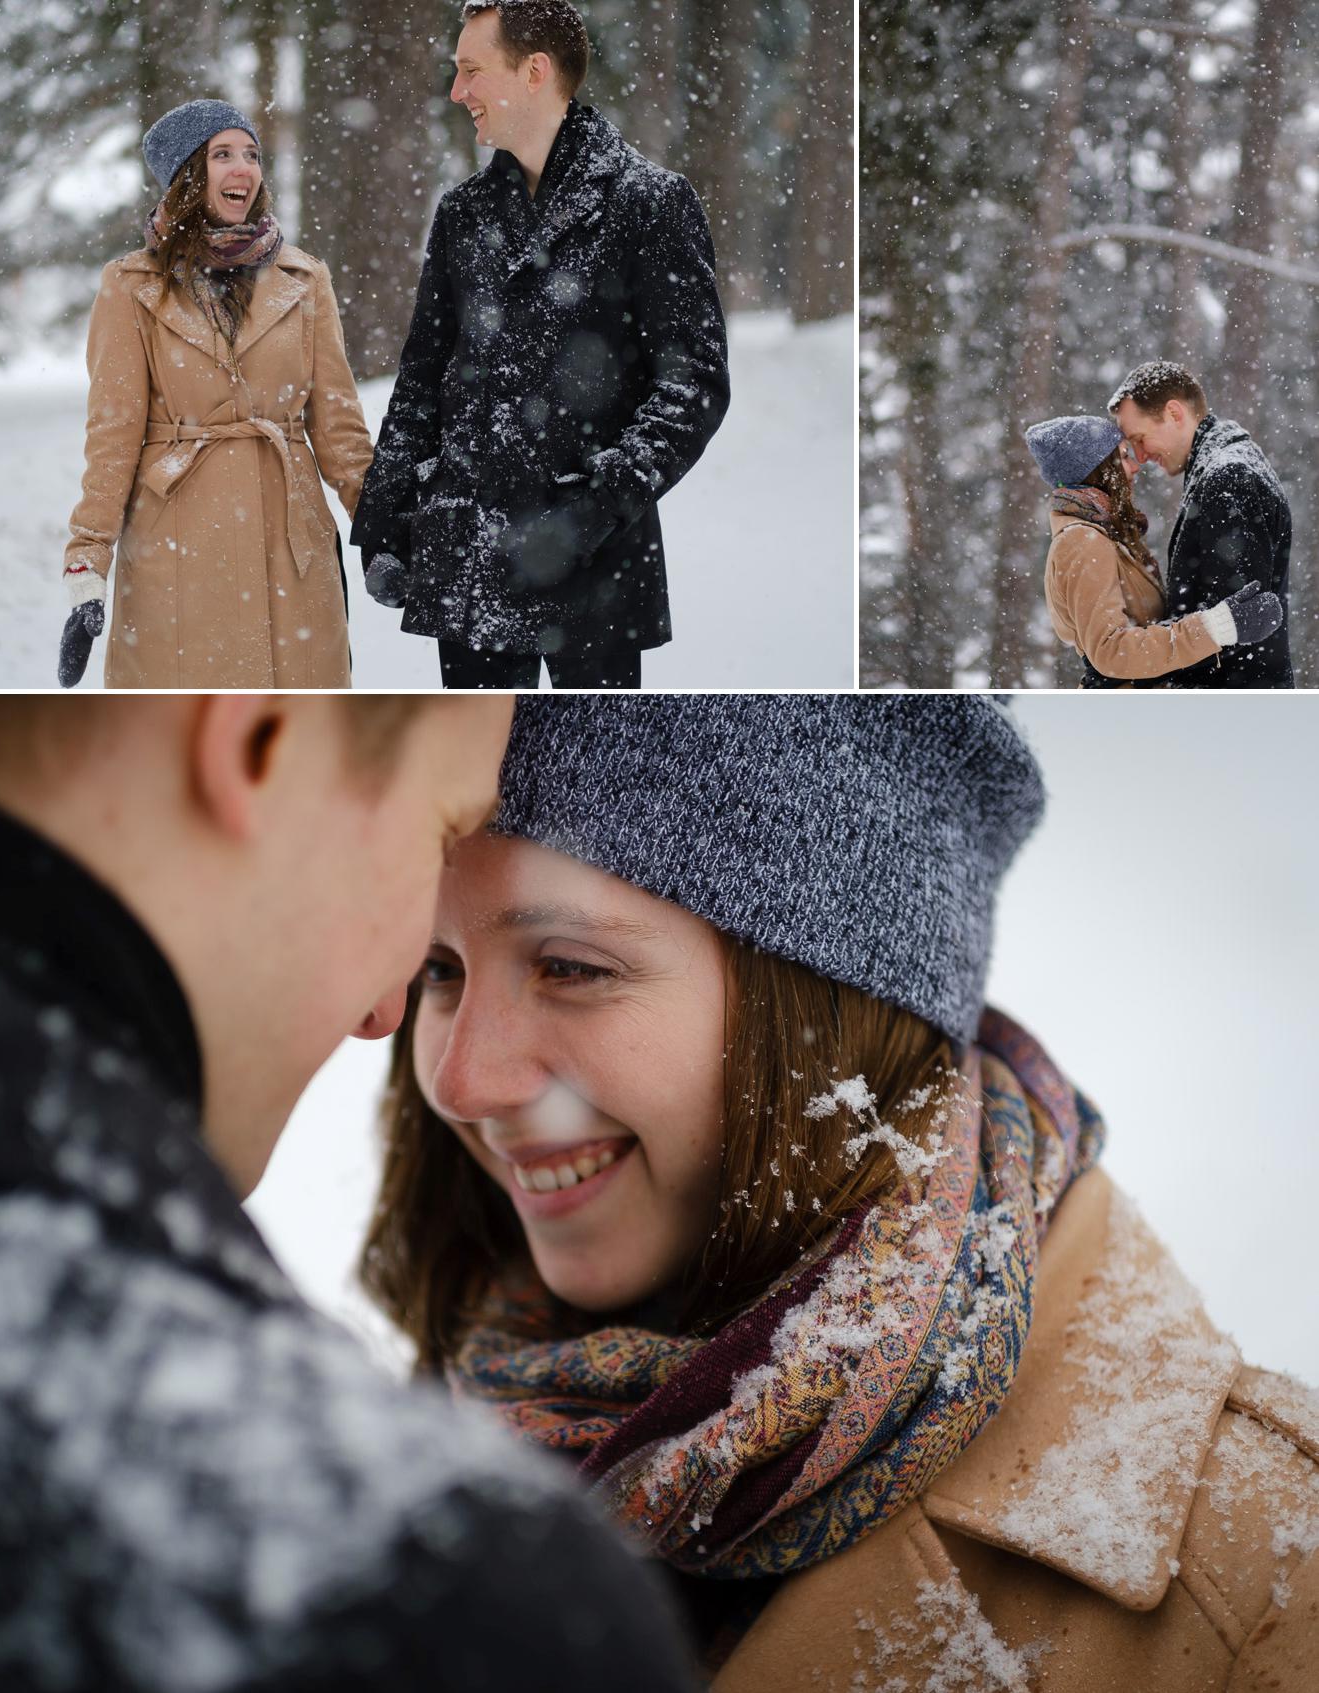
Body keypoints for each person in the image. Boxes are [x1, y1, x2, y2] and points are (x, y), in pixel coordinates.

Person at [361, 694, 1319, 1687]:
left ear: (830, 1009)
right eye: (438, 967)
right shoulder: (384, 1467)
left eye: (569, 966)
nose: (461, 1081)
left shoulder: (1267, 1574)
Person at [0, 695, 702, 1693]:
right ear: (258, 735)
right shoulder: (400, 1601)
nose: (389, 1015)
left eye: (573, 967)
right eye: (440, 826)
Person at [350, 0, 730, 691]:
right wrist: (387, 519)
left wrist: (596, 507)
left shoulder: (649, 203)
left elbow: (693, 385)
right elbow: (422, 379)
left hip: (595, 569)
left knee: (598, 773)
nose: (457, 92)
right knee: (483, 782)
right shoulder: (462, 214)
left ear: (535, 71)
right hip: (469, 561)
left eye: (471, 71)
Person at [59, 99, 374, 690]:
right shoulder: (132, 286)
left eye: (251, 155)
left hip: (292, 544)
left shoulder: (305, 280)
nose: (243, 170)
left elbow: (339, 429)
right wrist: (87, 565)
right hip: (178, 548)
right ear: (185, 175)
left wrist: (383, 532)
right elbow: (111, 437)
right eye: (221, 155)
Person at [1026, 413, 1283, 688]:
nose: (1135, 467)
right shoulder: (1082, 540)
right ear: (1098, 469)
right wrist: (1217, 627)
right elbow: (1110, 650)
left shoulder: (1103, 535)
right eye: (1124, 456)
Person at [1109, 360, 1294, 688]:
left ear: (1174, 413)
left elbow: (1235, 630)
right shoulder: (1221, 469)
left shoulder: (1230, 477)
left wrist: (1127, 670)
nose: (1139, 455)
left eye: (1140, 438)